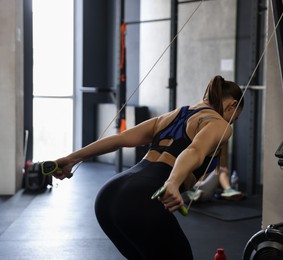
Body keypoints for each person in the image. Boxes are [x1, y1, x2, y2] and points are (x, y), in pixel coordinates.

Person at [52, 75, 244, 260]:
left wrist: (72, 158)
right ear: (233, 105)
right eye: (235, 117)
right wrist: (173, 182)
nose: (232, 122)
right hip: (143, 201)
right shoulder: (219, 125)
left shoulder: (171, 116)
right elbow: (195, 150)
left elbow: (120, 139)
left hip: (107, 198)